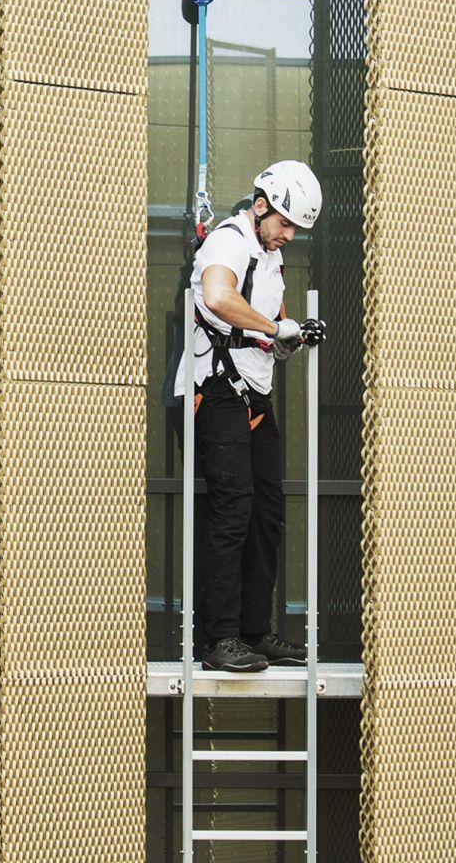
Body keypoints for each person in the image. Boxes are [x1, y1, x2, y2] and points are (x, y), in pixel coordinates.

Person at [178, 160, 328, 672]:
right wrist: (274, 326)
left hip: (253, 392)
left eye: (296, 229)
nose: (289, 235)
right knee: (232, 508)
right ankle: (218, 638)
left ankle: (252, 630)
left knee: (267, 511)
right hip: (215, 387)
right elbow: (218, 297)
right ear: (260, 205)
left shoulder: (269, 256)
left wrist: (291, 334)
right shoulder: (230, 240)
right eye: (284, 223)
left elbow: (270, 325)